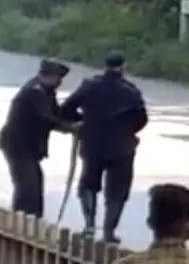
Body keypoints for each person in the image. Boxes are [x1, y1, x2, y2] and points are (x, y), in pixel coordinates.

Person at [61, 51, 147, 243]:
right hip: (122, 148)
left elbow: (66, 109)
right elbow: (141, 119)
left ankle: (90, 225)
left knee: (88, 185)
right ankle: (109, 232)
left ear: (104, 65)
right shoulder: (131, 91)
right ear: (124, 67)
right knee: (118, 190)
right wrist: (127, 132)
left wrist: (84, 122)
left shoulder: (89, 86)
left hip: (93, 144)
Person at [0, 59, 77, 217]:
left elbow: (57, 113)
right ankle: (22, 220)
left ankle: (32, 219)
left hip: (28, 147)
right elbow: (46, 118)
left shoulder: (46, 91)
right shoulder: (34, 92)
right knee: (27, 186)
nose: (60, 82)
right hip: (18, 146)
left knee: (34, 183)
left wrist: (77, 119)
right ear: (49, 76)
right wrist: (70, 128)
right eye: (58, 78)